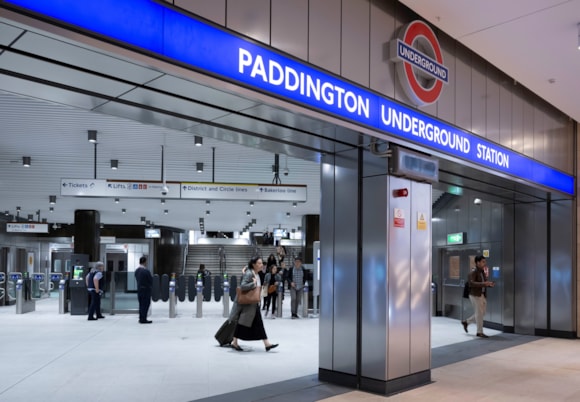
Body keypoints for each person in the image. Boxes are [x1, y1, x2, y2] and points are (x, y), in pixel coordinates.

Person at [230, 256, 278, 352]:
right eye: (259, 263)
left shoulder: (256, 273)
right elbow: (243, 286)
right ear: (253, 264)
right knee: (245, 322)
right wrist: (253, 284)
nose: (261, 265)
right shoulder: (249, 273)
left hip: (253, 303)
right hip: (248, 303)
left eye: (261, 263)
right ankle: (235, 342)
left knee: (254, 323)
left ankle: (266, 343)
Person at [462, 255, 494, 338]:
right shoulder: (473, 272)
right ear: (477, 262)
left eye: (485, 261)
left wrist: (489, 284)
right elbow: (471, 283)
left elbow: (484, 283)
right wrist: (484, 284)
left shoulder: (482, 272)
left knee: (482, 313)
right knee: (479, 314)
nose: (485, 263)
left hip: (482, 294)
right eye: (483, 262)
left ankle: (466, 322)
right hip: (475, 295)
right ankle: (479, 332)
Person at [134, 256, 153, 324]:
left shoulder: (137, 271)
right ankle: (144, 319)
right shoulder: (146, 271)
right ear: (145, 262)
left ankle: (141, 318)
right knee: (146, 304)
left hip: (139, 289)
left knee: (141, 304)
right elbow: (150, 280)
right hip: (146, 290)